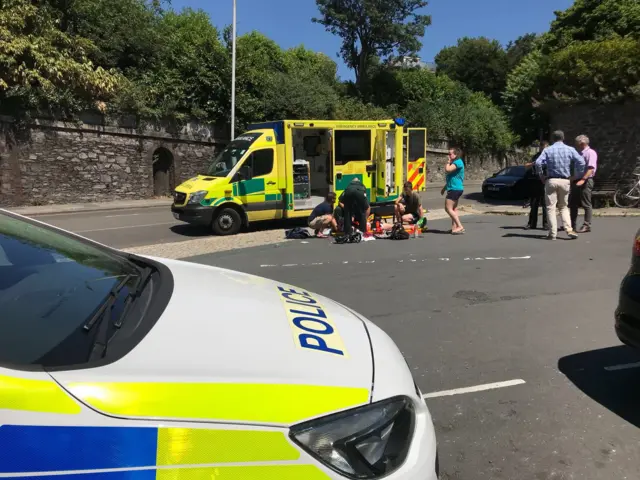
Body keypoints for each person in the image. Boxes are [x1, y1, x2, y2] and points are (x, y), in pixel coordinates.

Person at [534, 130, 586, 240]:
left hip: (551, 180)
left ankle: (552, 233)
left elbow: (538, 162)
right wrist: (576, 175)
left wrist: (541, 176)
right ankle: (569, 229)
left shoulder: (548, 150)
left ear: (553, 139)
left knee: (550, 207)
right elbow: (581, 162)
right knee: (563, 206)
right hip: (565, 180)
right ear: (563, 138)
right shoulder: (570, 149)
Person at [570, 134, 598, 233]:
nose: (576, 145)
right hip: (577, 180)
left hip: (586, 180)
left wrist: (583, 179)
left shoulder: (591, 153)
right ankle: (571, 225)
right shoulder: (579, 153)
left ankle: (587, 225)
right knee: (573, 203)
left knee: (586, 203)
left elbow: (591, 168)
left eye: (577, 143)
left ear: (582, 143)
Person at [525, 141, 549, 230]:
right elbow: (526, 165)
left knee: (545, 204)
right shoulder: (536, 156)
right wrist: (533, 163)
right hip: (535, 181)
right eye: (541, 147)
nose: (543, 149)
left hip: (545, 181)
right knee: (534, 203)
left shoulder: (549, 156)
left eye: (545, 148)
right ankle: (532, 223)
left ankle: (546, 224)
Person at [441, 147, 465, 235]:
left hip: (455, 189)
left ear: (456, 155)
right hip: (454, 188)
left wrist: (447, 162)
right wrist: (444, 188)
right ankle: (454, 228)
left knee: (448, 208)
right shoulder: (455, 162)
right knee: (453, 209)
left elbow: (448, 169)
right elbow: (452, 178)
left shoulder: (458, 162)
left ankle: (460, 226)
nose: (449, 155)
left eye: (450, 154)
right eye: (448, 153)